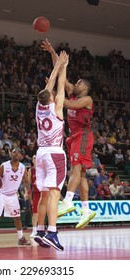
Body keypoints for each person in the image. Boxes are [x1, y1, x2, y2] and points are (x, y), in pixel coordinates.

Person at [42, 39, 96, 229]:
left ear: (85, 88)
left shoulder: (86, 99)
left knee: (76, 169)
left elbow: (68, 104)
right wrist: (52, 53)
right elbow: (61, 73)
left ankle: (67, 201)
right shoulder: (73, 91)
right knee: (80, 175)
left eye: (80, 82)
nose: (76, 83)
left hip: (83, 135)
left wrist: (54, 92)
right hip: (74, 136)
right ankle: (86, 209)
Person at [33, 51, 68, 251]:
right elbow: (59, 84)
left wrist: (56, 66)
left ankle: (39, 230)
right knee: (54, 194)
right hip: (54, 153)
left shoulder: (39, 106)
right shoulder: (57, 108)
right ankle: (52, 233)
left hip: (41, 154)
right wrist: (63, 66)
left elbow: (49, 86)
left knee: (44, 195)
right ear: (52, 98)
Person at [0, 148, 32, 247]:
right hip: (2, 194)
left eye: (18, 153)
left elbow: (26, 181)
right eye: (14, 152)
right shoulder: (4, 166)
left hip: (13, 195)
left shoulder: (23, 167)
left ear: (21, 156)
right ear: (11, 154)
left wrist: (29, 192)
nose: (16, 154)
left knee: (17, 217)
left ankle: (21, 238)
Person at [28, 155, 41, 238]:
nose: (35, 159)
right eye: (34, 158)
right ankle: (34, 230)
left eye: (37, 157)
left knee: (44, 212)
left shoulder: (43, 169)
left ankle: (41, 229)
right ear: (32, 160)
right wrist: (27, 193)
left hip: (44, 193)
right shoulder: (31, 170)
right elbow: (28, 184)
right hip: (36, 193)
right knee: (35, 212)